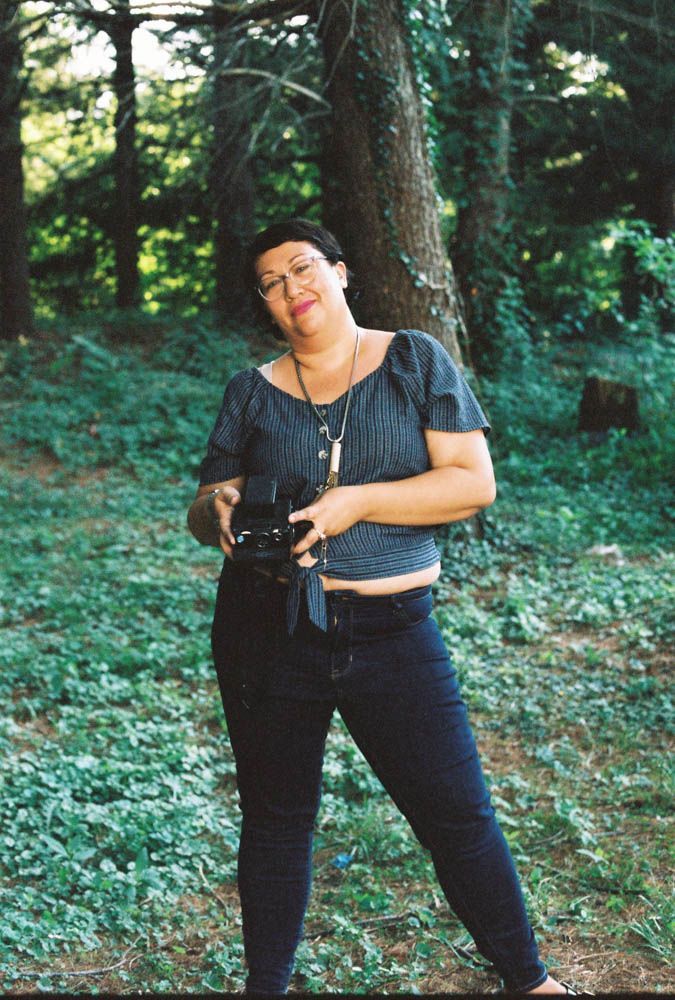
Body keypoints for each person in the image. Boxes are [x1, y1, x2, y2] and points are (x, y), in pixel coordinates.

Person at [187, 218, 587, 995]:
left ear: (338, 272)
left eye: (302, 269)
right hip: (266, 632)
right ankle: (263, 988)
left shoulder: (412, 359)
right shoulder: (251, 392)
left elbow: (471, 482)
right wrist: (220, 508)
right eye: (270, 282)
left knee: (457, 816)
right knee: (275, 822)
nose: (290, 289)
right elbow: (203, 505)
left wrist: (356, 502)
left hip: (392, 631)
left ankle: (529, 983)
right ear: (264, 304)